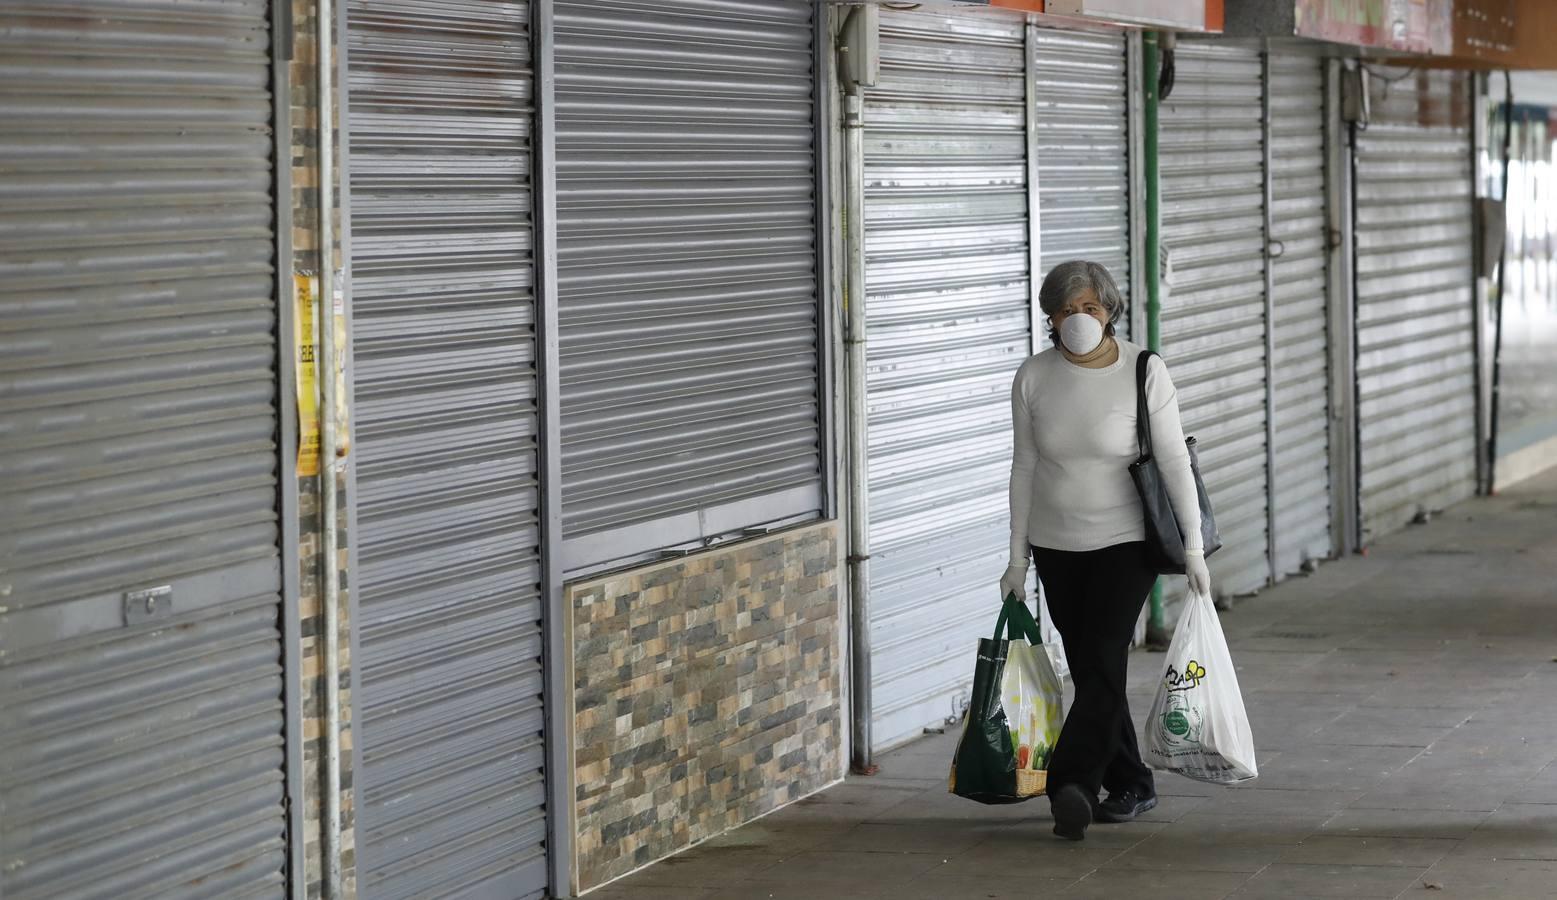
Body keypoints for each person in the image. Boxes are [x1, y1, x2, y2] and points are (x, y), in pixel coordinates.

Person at [998, 259, 1212, 841]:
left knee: (1102, 655)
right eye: (1066, 310)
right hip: (1055, 543)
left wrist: (1193, 547)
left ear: (1110, 311)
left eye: (1089, 308)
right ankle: (1132, 782)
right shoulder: (1033, 377)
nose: (1078, 319)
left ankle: (1070, 784)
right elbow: (1023, 467)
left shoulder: (1144, 370)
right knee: (1094, 666)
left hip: (1126, 542)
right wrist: (1016, 558)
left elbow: (1172, 460)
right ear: (1050, 317)